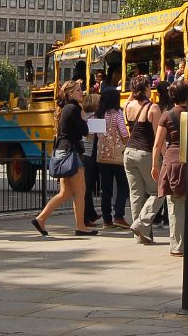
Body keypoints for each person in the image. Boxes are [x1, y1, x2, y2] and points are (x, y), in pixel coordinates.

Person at [31, 80, 97, 236]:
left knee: (65, 192)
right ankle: (81, 227)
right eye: (79, 90)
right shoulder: (74, 109)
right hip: (71, 153)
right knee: (80, 192)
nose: (82, 92)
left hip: (63, 151)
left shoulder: (66, 109)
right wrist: (84, 118)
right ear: (70, 93)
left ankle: (40, 219)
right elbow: (84, 130)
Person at [152, 80, 188, 256]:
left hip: (172, 162)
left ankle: (178, 246)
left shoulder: (167, 115)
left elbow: (157, 144)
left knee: (176, 204)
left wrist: (155, 165)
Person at [124, 75, 164, 244]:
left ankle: (141, 235)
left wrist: (134, 92)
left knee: (136, 195)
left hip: (128, 153)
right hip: (145, 153)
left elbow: (130, 99)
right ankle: (140, 224)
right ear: (147, 88)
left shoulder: (127, 106)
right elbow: (158, 137)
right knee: (159, 191)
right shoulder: (153, 108)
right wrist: (163, 157)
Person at [96, 89, 130, 230]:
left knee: (106, 188)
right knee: (123, 185)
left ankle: (107, 219)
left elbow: (95, 133)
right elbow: (123, 132)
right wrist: (128, 144)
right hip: (117, 155)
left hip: (102, 155)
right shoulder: (117, 114)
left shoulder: (98, 115)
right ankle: (119, 216)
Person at [152, 81, 173, 228]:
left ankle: (156, 216)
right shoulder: (173, 108)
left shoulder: (157, 108)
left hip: (160, 147)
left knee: (158, 184)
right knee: (169, 185)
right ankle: (166, 217)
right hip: (171, 147)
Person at [81, 93, 102, 227]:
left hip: (84, 154)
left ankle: (91, 214)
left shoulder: (83, 116)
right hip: (89, 156)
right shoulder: (95, 118)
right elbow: (101, 136)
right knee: (87, 188)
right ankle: (87, 217)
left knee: (86, 188)